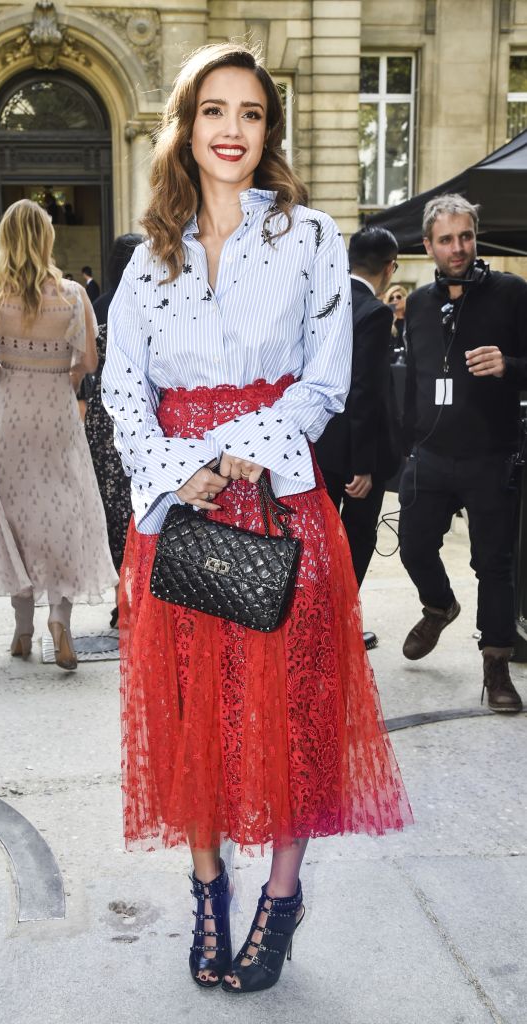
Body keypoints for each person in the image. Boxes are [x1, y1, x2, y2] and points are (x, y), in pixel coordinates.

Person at [103, 42, 412, 995]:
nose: (232, 130)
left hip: (280, 507)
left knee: (293, 711)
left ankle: (281, 898)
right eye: (213, 111)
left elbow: (328, 379)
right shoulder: (147, 256)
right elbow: (121, 390)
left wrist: (248, 446)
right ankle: (208, 893)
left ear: (267, 130)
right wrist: (177, 469)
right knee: (193, 709)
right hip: (181, 512)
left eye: (250, 113)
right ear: (186, 130)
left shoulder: (312, 239)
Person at [0, 199, 117, 669]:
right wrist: (60, 372)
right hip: (56, 411)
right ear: (48, 238)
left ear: (5, 239)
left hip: (11, 411)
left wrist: (15, 364)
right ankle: (60, 618)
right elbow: (89, 363)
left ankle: (22, 630)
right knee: (65, 512)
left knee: (13, 518)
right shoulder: (74, 294)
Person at [399, 193, 527, 713]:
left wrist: (511, 365)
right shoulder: (420, 304)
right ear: (428, 245)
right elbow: (412, 379)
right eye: (447, 240)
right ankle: (439, 605)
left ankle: (495, 664)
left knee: (493, 566)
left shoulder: (513, 293)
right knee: (412, 546)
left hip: (491, 454)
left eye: (466, 236)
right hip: (429, 455)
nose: (459, 248)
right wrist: (406, 445)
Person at [314, 226, 402, 650]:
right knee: (357, 538)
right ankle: (339, 626)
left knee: (319, 540)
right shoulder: (374, 311)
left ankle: (316, 623)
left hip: (315, 445)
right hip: (353, 454)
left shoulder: (321, 303)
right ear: (390, 268)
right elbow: (365, 391)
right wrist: (363, 465)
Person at [84, 233, 143, 626]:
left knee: (113, 513)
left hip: (103, 420)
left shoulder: (99, 305)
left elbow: (86, 365)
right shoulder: (147, 302)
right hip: (136, 415)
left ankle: (122, 601)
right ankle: (141, 601)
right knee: (142, 511)